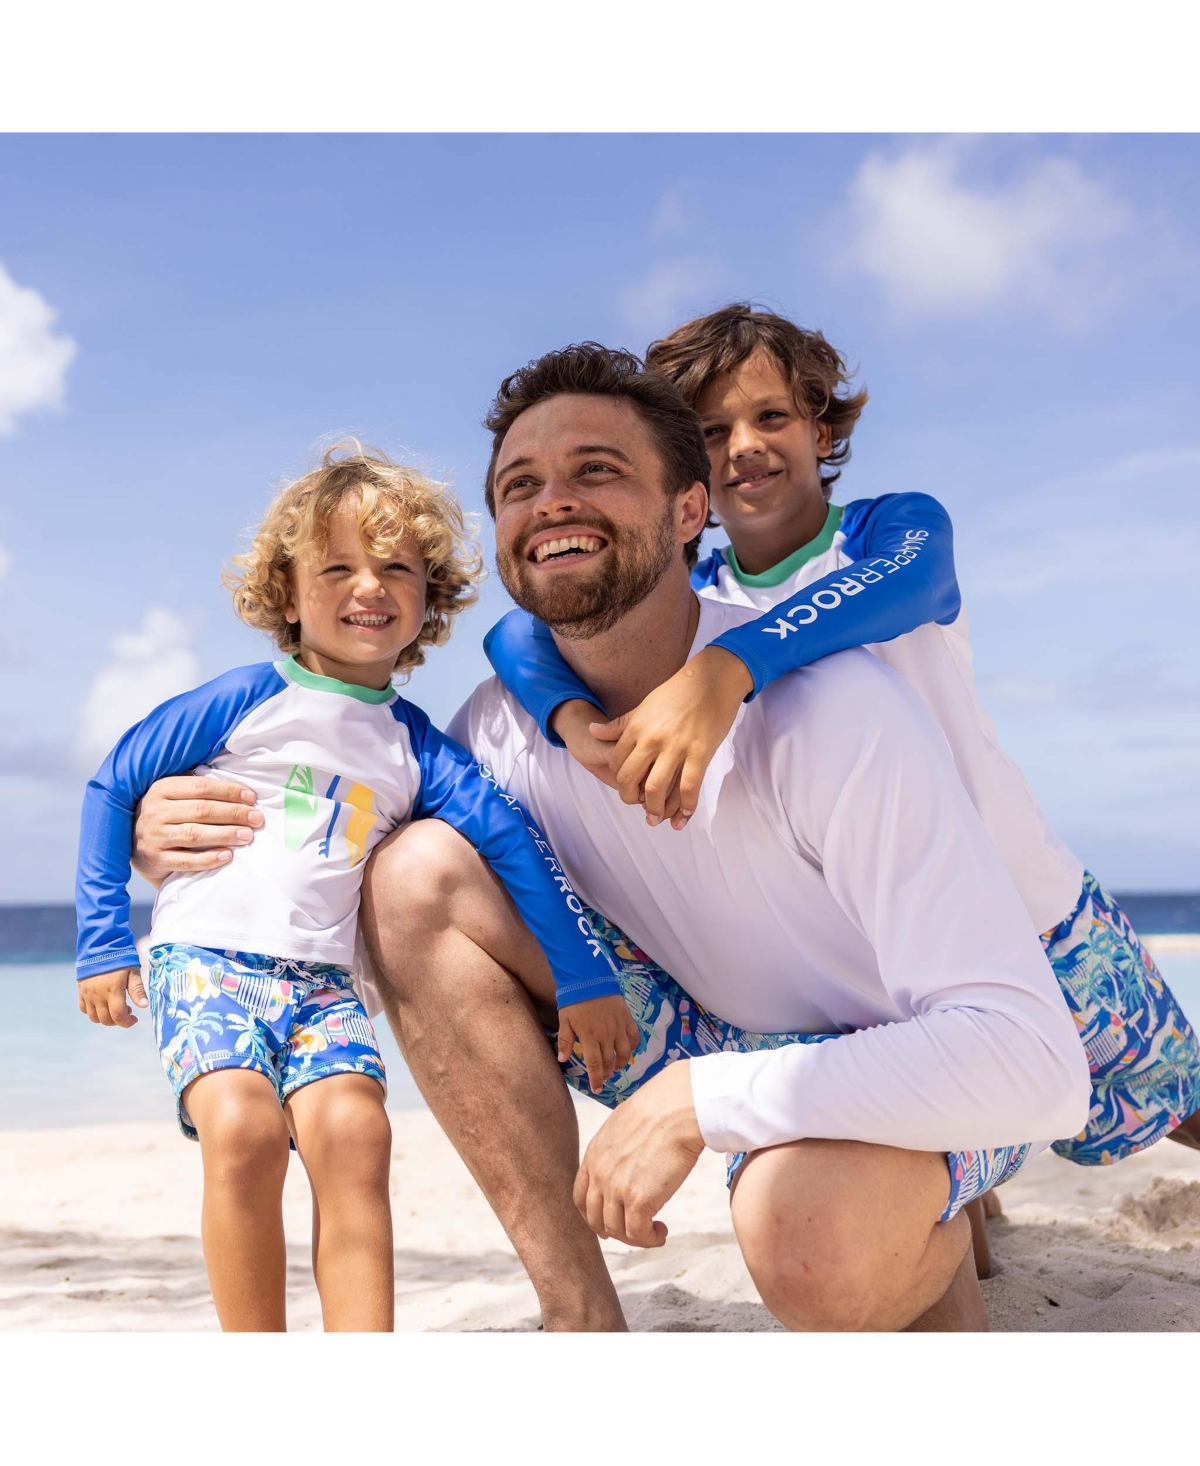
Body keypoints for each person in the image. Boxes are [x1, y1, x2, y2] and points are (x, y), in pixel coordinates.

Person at [130, 352, 1091, 1331]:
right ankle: (581, 1317)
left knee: (813, 1237)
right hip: (682, 1019)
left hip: (900, 1047)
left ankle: (931, 1221)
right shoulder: (498, 725)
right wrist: (163, 827)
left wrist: (697, 1098)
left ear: (688, 509)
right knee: (410, 873)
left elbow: (1037, 1065)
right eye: (521, 485)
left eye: (597, 470)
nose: (553, 500)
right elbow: (333, 855)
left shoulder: (831, 707)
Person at [484, 307, 1200, 1214]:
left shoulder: (888, 533)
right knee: (919, 1100)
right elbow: (516, 633)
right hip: (858, 929)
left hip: (1030, 909)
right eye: (712, 431)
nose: (744, 447)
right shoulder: (697, 590)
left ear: (822, 431)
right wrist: (570, 716)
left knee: (1171, 1095)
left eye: (771, 418)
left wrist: (727, 670)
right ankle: (971, 1217)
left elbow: (912, 584)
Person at [75, 443, 635, 1333]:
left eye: (397, 568)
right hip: (208, 962)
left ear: (428, 598)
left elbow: (516, 851)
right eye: (336, 568)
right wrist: (103, 941)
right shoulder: (241, 701)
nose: (368, 586)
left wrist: (585, 979)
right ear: (289, 596)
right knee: (243, 1129)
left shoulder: (418, 747)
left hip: (326, 986)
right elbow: (113, 786)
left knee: (358, 1136)